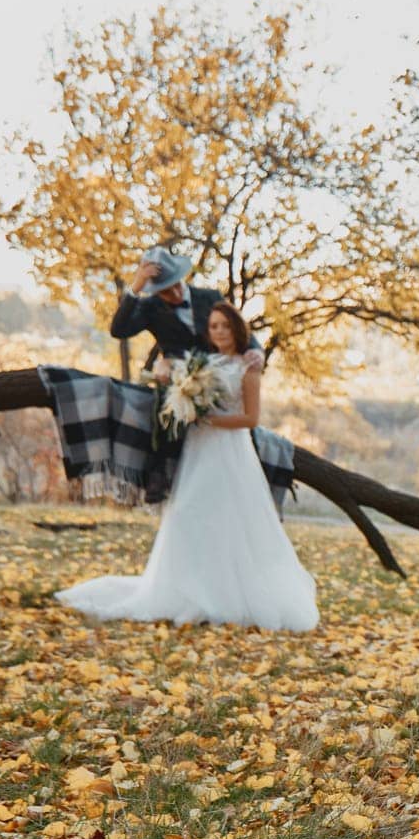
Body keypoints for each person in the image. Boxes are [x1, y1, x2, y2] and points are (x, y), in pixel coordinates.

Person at [57, 302, 319, 632]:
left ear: (236, 329)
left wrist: (208, 418)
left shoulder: (248, 367)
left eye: (225, 325)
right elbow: (176, 378)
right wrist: (173, 384)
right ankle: (185, 588)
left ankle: (221, 594)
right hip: (198, 449)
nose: (219, 332)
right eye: (213, 326)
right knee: (186, 514)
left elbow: (251, 418)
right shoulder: (204, 363)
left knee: (226, 518)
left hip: (229, 451)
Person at [110, 247, 264, 502]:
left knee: (238, 423)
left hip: (219, 374)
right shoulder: (150, 307)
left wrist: (257, 351)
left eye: (175, 285)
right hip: (178, 377)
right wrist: (136, 286)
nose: (174, 293)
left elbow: (237, 327)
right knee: (165, 396)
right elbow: (119, 330)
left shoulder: (209, 296)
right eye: (165, 291)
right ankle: (157, 474)